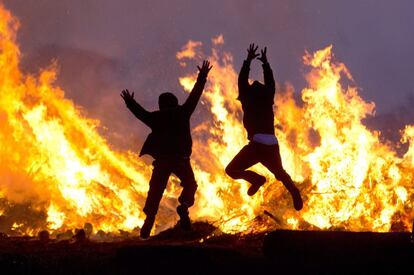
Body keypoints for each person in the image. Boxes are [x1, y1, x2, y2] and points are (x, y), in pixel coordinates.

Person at [121, 60, 212, 239]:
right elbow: (195, 96)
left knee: (155, 190)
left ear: (161, 105)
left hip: (163, 160)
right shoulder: (183, 112)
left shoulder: (156, 118)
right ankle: (184, 205)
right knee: (190, 185)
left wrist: (130, 102)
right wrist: (202, 76)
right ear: (175, 103)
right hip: (181, 160)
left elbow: (140, 113)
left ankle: (149, 220)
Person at [225, 44, 303, 211]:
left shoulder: (247, 98)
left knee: (231, 170)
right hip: (271, 143)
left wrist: (248, 61)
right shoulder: (267, 97)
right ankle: (294, 191)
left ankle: (256, 179)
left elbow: (242, 81)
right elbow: (270, 82)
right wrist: (265, 64)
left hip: (257, 145)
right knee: (280, 173)